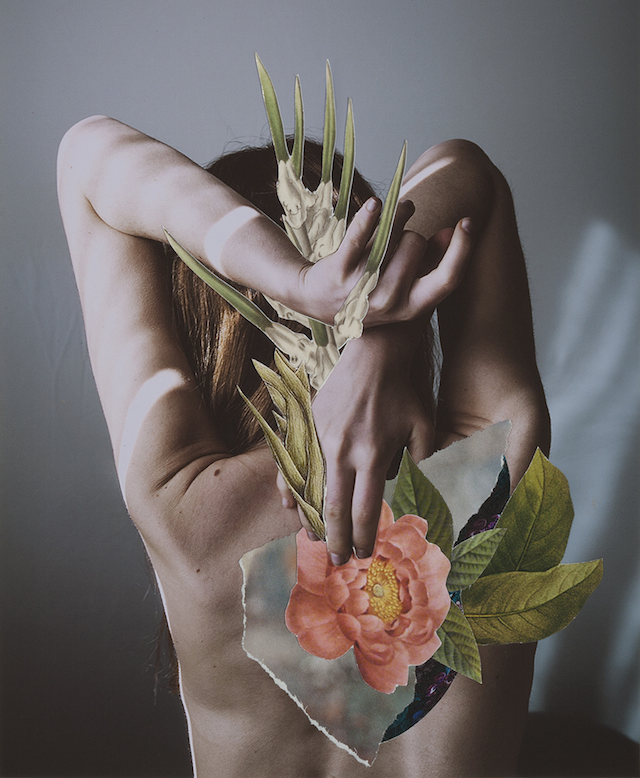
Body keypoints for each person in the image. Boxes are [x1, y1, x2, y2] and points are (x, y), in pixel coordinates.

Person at [57, 114, 550, 778]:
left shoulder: (186, 510)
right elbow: (470, 175)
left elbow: (86, 159)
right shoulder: (486, 476)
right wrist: (376, 329)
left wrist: (298, 284)